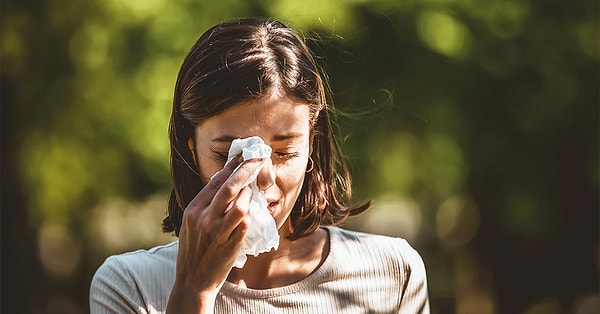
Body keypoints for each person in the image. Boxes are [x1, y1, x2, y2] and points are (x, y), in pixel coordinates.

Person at [89, 17, 430, 313]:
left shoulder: (392, 273)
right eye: (230, 156)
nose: (262, 177)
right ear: (190, 148)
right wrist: (194, 293)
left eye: (283, 152)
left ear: (313, 145)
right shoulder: (131, 287)